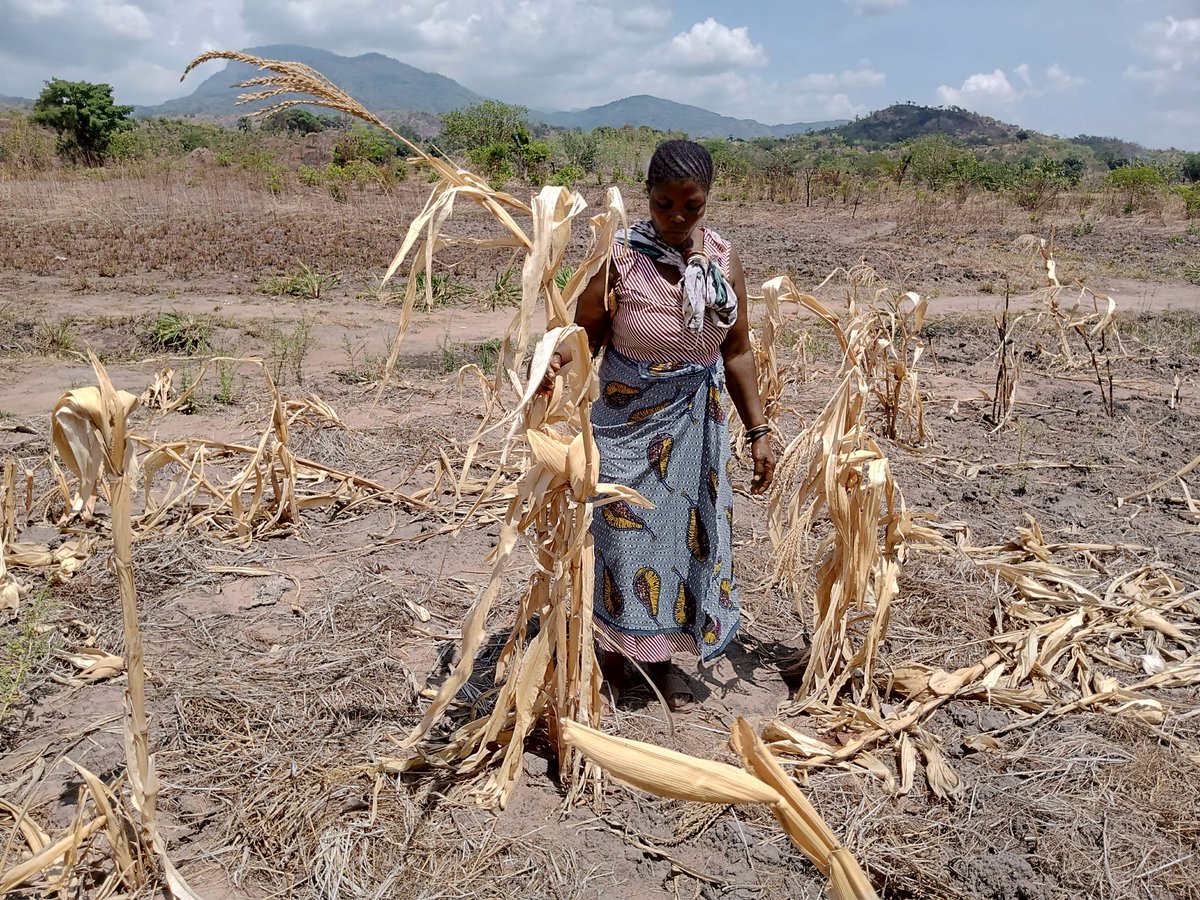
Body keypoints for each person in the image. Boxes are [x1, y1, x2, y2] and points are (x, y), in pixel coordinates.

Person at [541, 139, 774, 711]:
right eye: (665, 204)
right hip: (623, 423)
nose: (676, 218)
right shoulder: (618, 258)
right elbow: (586, 336)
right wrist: (553, 367)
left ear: (706, 201)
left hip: (695, 428)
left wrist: (759, 430)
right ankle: (611, 656)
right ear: (647, 196)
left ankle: (661, 661)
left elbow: (737, 351)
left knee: (683, 544)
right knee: (621, 540)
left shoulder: (722, 263)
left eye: (690, 207)